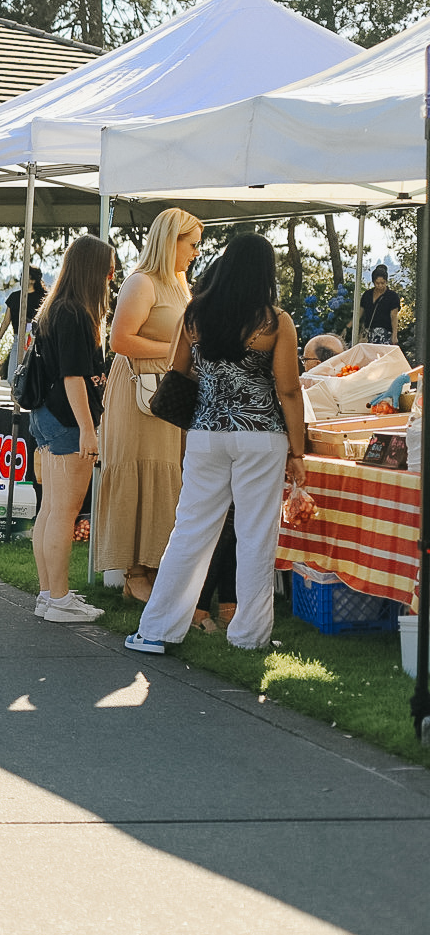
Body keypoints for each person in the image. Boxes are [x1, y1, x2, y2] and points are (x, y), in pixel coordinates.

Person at [128, 232, 307, 654]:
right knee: (256, 535)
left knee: (190, 530)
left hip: (205, 434)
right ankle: (250, 636)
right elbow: (289, 390)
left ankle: (155, 630)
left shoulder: (195, 314)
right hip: (261, 437)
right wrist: (298, 453)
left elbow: (179, 371)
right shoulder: (275, 321)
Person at [98, 208, 202, 602]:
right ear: (170, 241)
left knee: (166, 476)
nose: (195, 253)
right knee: (140, 472)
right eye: (191, 245)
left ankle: (153, 566)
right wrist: (177, 351)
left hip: (167, 393)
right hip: (139, 393)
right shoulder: (141, 283)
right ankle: (134, 571)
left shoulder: (179, 283)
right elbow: (120, 341)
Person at [26, 236, 114, 624]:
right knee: (64, 511)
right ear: (95, 271)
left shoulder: (54, 308)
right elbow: (73, 377)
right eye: (109, 269)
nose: (113, 277)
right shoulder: (76, 313)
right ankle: (58, 598)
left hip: (46, 415)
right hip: (66, 420)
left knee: (50, 509)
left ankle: (50, 594)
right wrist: (87, 429)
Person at [0, 267, 46, 375]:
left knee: (30, 375)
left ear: (33, 280)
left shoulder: (43, 297)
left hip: (34, 340)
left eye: (26, 277)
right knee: (11, 376)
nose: (22, 279)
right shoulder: (14, 297)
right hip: (18, 338)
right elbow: (6, 321)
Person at [359, 266, 400, 345]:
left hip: (384, 333)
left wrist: (394, 335)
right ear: (373, 282)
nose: (380, 286)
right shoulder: (367, 295)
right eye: (377, 283)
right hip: (368, 333)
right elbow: (361, 314)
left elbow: (394, 316)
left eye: (383, 283)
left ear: (386, 281)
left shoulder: (392, 296)